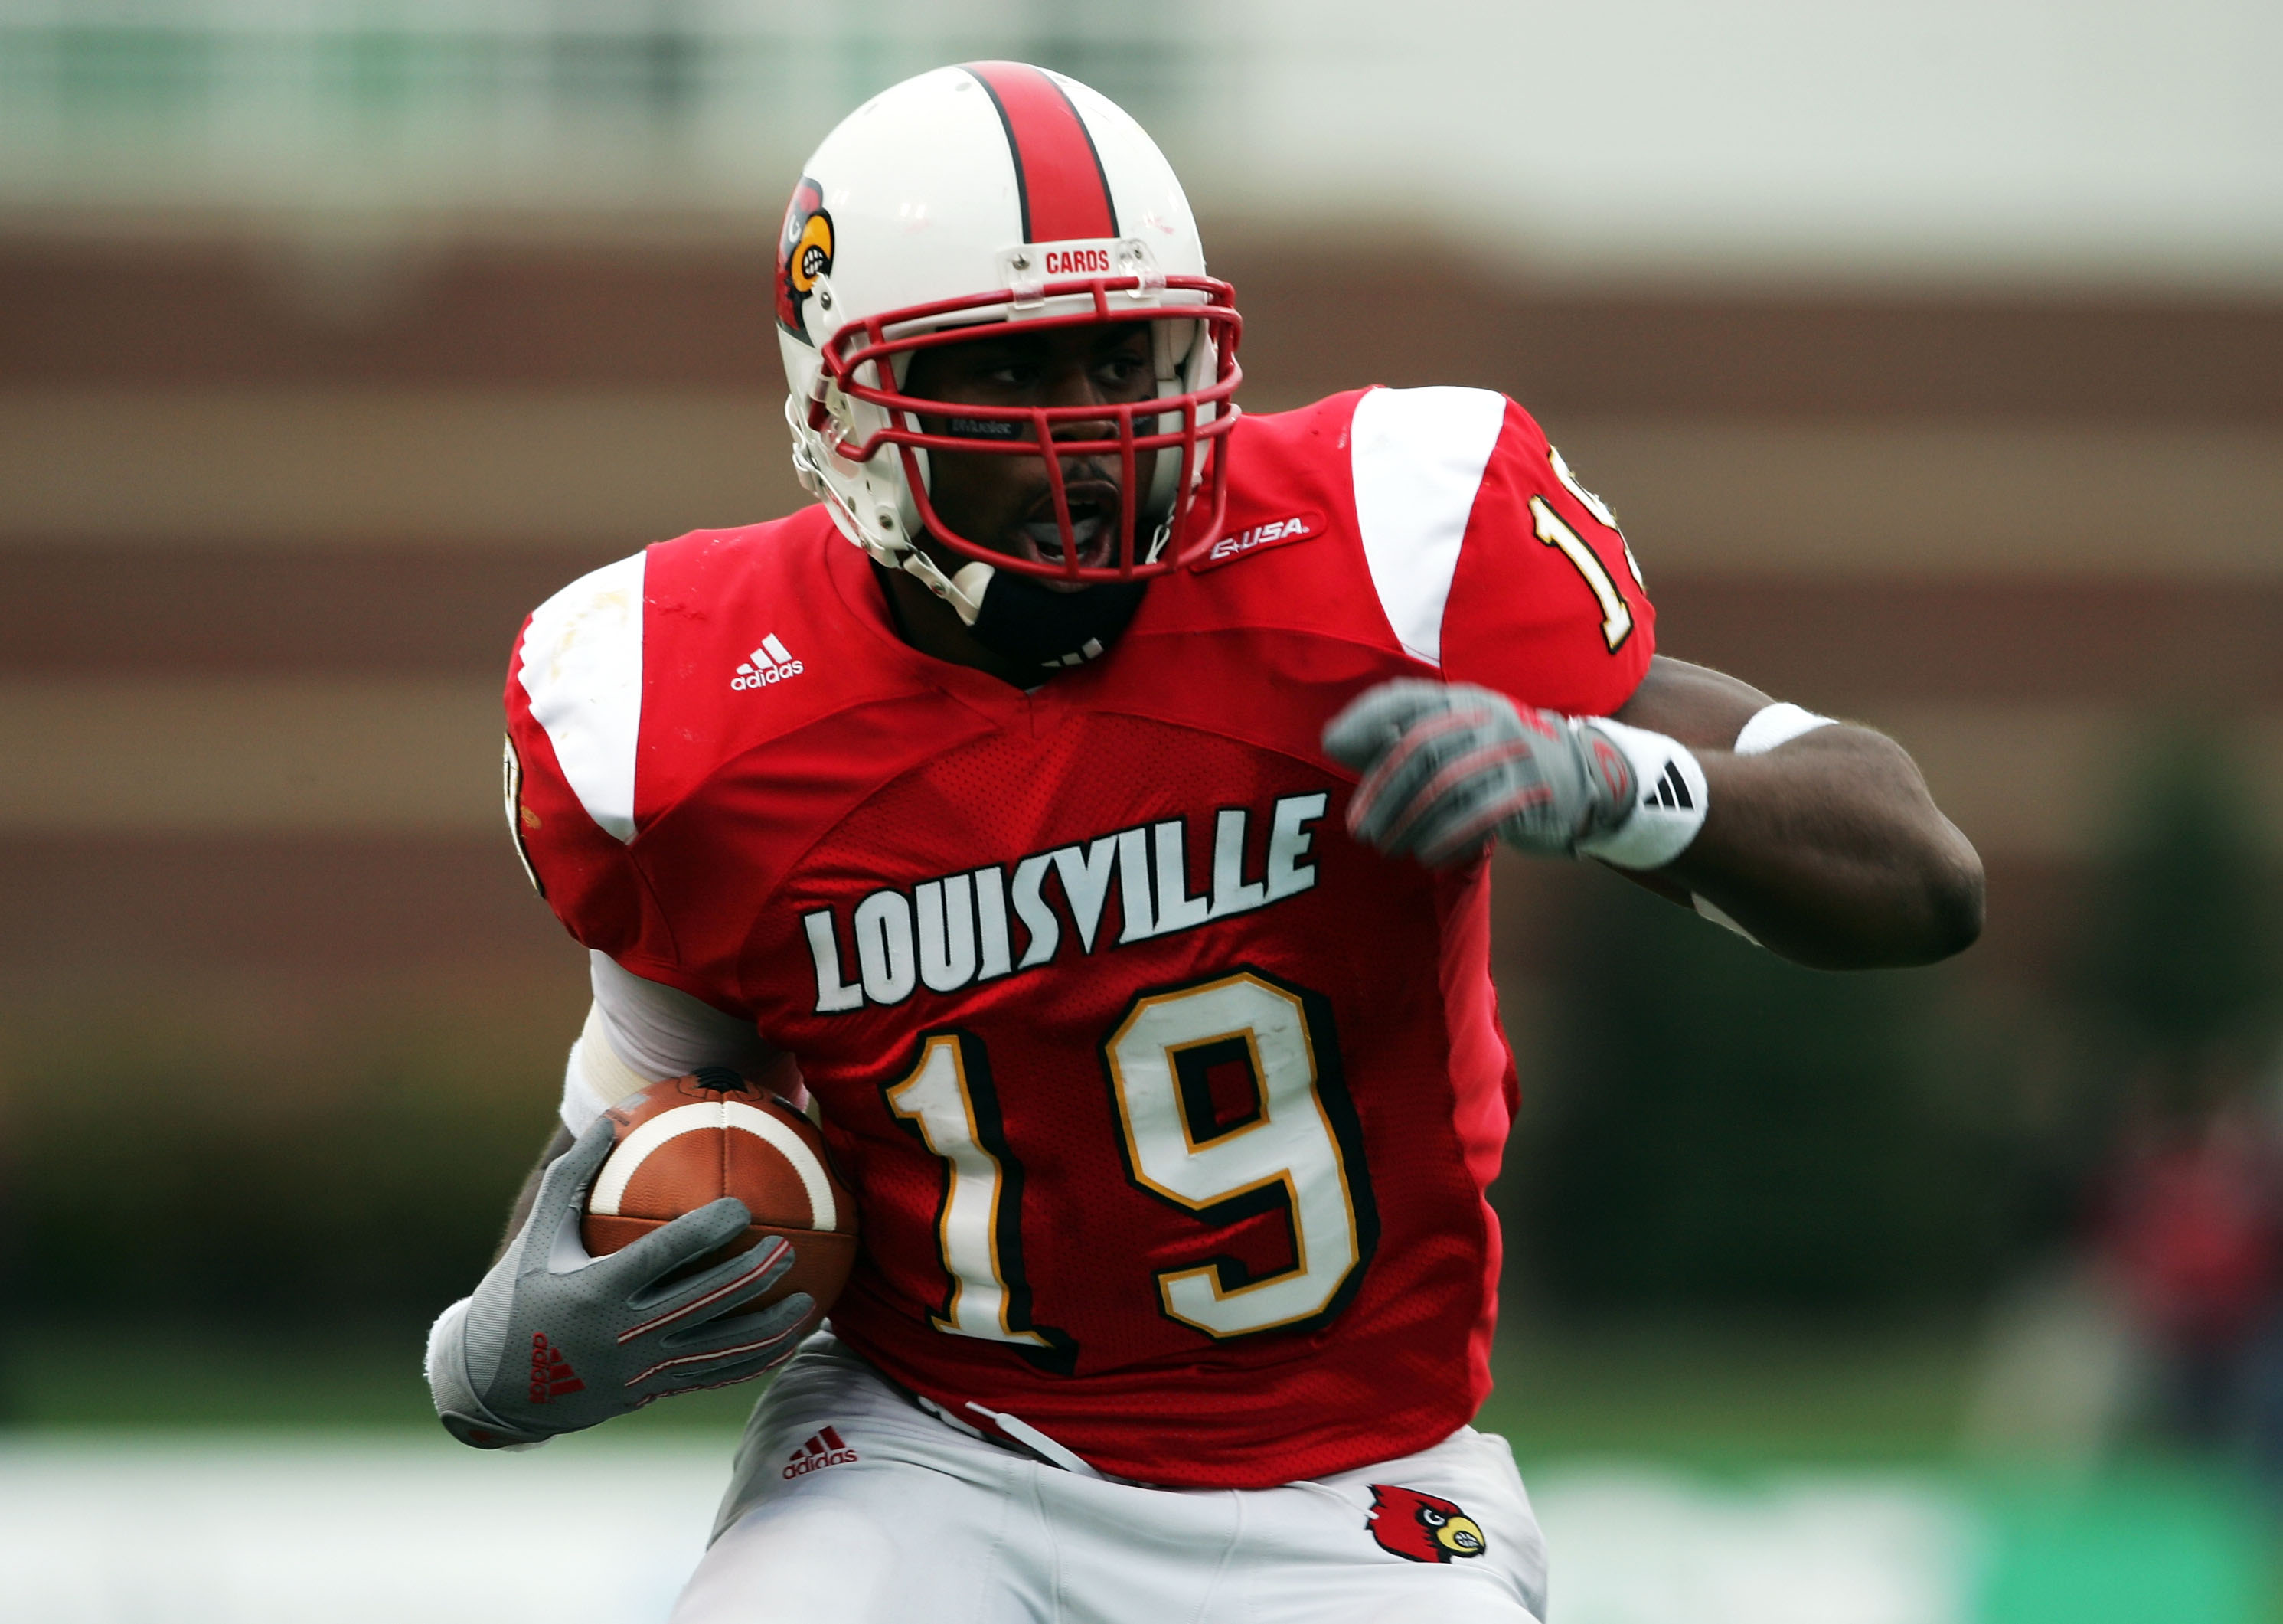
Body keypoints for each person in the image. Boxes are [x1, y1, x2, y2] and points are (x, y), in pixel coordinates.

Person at [424, 61, 1984, 1623]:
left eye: (1124, 361)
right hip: (934, 1451)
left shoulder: (1384, 542)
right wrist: (496, 1346)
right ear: (846, 415)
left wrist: (1612, 778)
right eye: (1012, 378)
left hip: (1354, 1479)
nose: (1089, 439)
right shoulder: (684, 704)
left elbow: (1920, 875)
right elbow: (624, 1142)